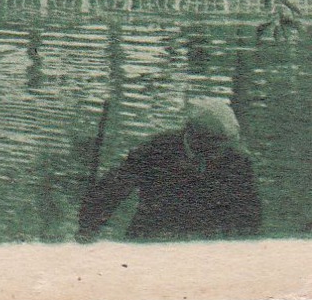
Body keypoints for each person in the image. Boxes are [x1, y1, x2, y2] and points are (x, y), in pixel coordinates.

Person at [77, 97, 263, 242]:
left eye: (226, 144)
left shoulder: (238, 160)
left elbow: (250, 214)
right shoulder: (157, 149)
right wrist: (89, 225)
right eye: (215, 144)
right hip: (152, 233)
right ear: (193, 136)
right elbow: (113, 188)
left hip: (205, 240)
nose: (222, 151)